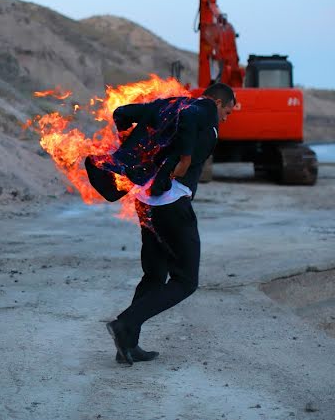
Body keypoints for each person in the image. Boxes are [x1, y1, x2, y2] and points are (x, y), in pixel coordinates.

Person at [87, 83, 235, 365]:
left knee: (154, 275)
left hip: (145, 201)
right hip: (171, 204)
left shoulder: (170, 105)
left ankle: (128, 345)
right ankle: (124, 323)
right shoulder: (202, 110)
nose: (225, 118)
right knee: (186, 280)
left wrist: (129, 149)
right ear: (216, 102)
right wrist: (187, 157)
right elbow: (192, 121)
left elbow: (122, 112)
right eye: (227, 111)